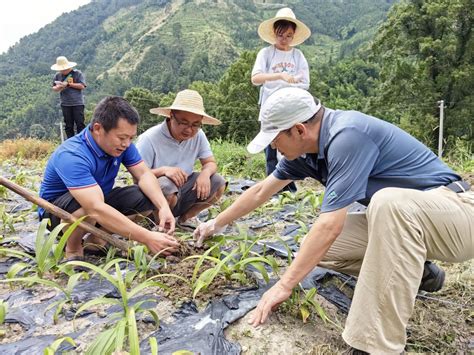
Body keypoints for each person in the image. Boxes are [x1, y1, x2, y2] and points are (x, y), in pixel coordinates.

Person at [193, 87, 473, 353]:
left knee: (387, 202)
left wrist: (284, 285)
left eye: (276, 140)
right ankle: (422, 272)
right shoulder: (305, 152)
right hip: (406, 225)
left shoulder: (348, 135)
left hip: (456, 212)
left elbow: (330, 225)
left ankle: (374, 346)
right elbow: (260, 191)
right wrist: (214, 224)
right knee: (314, 248)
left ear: (299, 130)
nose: (275, 149)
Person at [39, 96, 180, 260]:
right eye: (121, 138)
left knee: (143, 196)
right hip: (60, 214)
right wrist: (146, 237)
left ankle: (96, 240)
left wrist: (163, 207)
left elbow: (144, 174)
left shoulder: (123, 146)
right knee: (85, 206)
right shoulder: (72, 154)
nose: (126, 144)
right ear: (98, 129)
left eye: (130, 138)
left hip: (97, 201)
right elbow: (94, 207)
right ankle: (73, 249)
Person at [136, 89, 226, 229]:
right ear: (171, 116)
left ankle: (183, 220)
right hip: (154, 198)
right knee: (166, 184)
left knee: (218, 182)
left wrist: (205, 174)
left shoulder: (198, 135)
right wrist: (164, 171)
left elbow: (210, 162)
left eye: (195, 124)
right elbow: (138, 177)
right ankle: (158, 222)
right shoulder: (149, 139)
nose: (189, 130)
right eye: (183, 123)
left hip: (183, 189)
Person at [251, 7, 311, 193]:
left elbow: (305, 82)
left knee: (290, 145)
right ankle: (272, 187)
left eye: (288, 36)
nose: (284, 40)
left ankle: (288, 184)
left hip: (291, 107)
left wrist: (292, 84)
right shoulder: (266, 54)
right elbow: (256, 78)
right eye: (280, 35)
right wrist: (279, 77)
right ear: (274, 34)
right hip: (270, 106)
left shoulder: (297, 55)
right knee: (271, 146)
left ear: (293, 36)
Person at [51, 56, 87, 138]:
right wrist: (59, 87)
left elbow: (82, 86)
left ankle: (82, 142)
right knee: (68, 125)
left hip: (77, 103)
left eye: (63, 69)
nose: (62, 71)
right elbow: (54, 87)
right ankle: (70, 142)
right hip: (65, 104)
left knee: (80, 124)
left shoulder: (77, 74)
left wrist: (69, 84)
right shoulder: (58, 76)